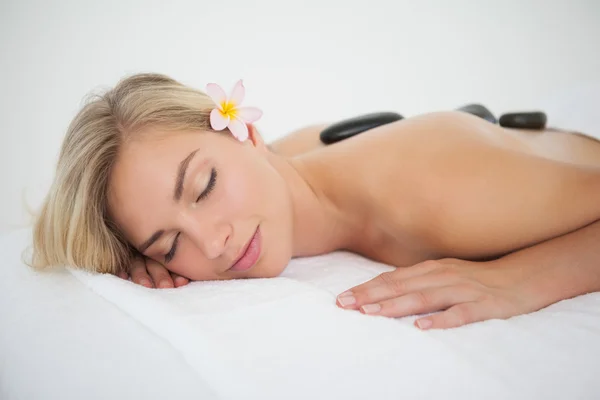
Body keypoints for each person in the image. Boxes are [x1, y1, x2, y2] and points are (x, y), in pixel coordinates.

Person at [31, 73, 600, 330]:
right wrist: (137, 253)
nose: (212, 243)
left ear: (245, 133)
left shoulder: (436, 192)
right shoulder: (285, 159)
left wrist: (521, 280)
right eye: (170, 241)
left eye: (203, 186)